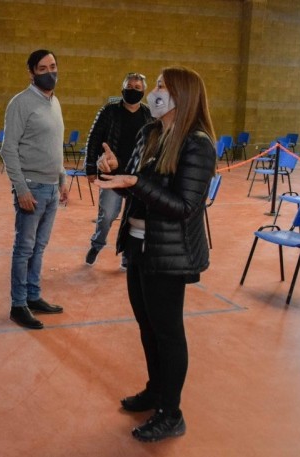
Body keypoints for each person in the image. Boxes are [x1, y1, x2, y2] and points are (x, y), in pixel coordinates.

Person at [95, 66, 216, 442]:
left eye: (163, 86)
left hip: (169, 252)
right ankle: (155, 391)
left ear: (184, 95)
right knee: (147, 326)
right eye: (157, 87)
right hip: (138, 244)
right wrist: (120, 173)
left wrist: (136, 182)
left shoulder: (197, 144)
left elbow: (183, 206)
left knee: (168, 331)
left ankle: (171, 412)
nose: (155, 93)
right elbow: (140, 189)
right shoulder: (152, 132)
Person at [0, 49, 69, 330]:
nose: (49, 72)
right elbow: (9, 149)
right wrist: (21, 189)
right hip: (32, 187)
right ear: (31, 72)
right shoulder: (20, 103)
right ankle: (18, 305)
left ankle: (33, 295)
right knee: (24, 248)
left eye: (53, 66)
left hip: (52, 187)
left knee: (39, 247)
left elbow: (55, 145)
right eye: (42, 68)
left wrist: (63, 178)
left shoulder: (55, 102)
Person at [84, 73, 152, 270]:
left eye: (137, 88)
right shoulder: (109, 111)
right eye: (129, 86)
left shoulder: (149, 116)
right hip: (111, 176)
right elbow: (93, 138)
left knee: (132, 219)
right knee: (107, 215)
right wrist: (90, 167)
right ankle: (97, 245)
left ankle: (126, 255)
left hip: (137, 178)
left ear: (143, 91)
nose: (133, 90)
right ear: (122, 88)